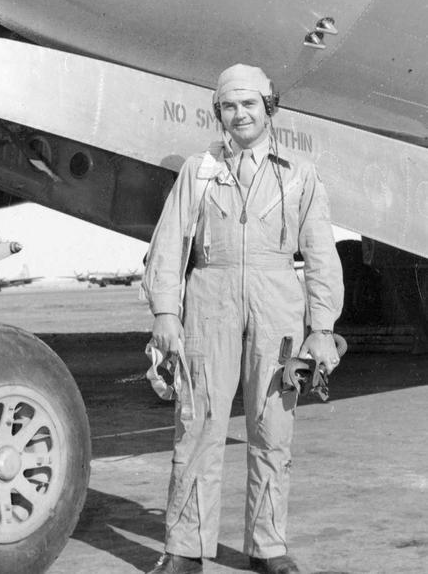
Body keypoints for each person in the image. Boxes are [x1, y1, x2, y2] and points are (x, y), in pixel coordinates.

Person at [142, 64, 344, 574]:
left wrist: (322, 328)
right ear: (219, 113)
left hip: (279, 304)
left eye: (249, 104)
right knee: (198, 422)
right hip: (209, 299)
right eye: (229, 106)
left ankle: (269, 547)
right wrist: (166, 313)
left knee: (272, 425)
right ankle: (186, 547)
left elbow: (321, 255)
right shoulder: (200, 169)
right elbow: (167, 244)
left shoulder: (300, 174)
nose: (240, 115)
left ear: (268, 107)